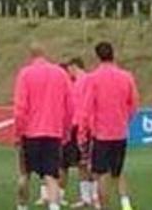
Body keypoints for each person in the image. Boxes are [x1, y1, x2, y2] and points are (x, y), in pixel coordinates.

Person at [13, 42, 74, 210]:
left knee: (25, 174)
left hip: (30, 133)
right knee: (51, 175)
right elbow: (70, 106)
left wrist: (18, 133)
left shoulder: (25, 74)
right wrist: (66, 130)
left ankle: (22, 206)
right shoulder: (60, 73)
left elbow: (20, 109)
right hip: (53, 132)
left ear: (30, 55)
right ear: (45, 53)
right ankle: (54, 206)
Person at [81, 42, 139, 210]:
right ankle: (125, 204)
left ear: (98, 57)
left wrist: (83, 132)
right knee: (118, 171)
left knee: (102, 174)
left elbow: (86, 107)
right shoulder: (126, 76)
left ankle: (104, 207)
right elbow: (134, 103)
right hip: (120, 132)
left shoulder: (93, 78)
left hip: (101, 134)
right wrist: (125, 119)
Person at [60, 58, 95, 209]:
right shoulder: (77, 82)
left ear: (74, 67)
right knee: (82, 163)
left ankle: (92, 196)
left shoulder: (86, 81)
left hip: (82, 126)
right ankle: (87, 197)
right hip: (78, 126)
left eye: (69, 69)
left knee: (86, 163)